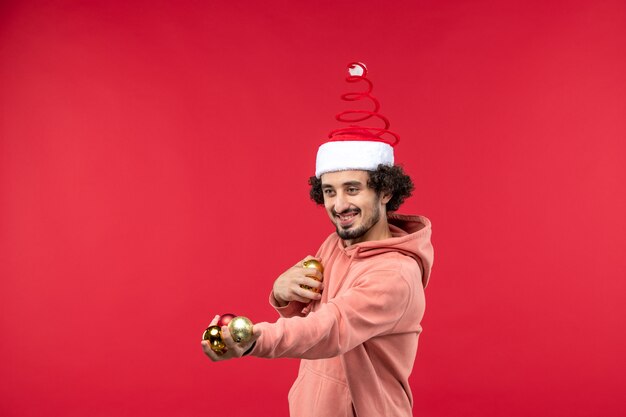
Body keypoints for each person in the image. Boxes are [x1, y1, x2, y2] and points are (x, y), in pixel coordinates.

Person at [202, 63, 434, 417]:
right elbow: (310, 313)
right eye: (329, 191)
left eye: (352, 189)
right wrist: (283, 294)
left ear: (385, 191)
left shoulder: (395, 276)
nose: (339, 205)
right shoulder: (335, 244)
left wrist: (254, 341)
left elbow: (330, 329)